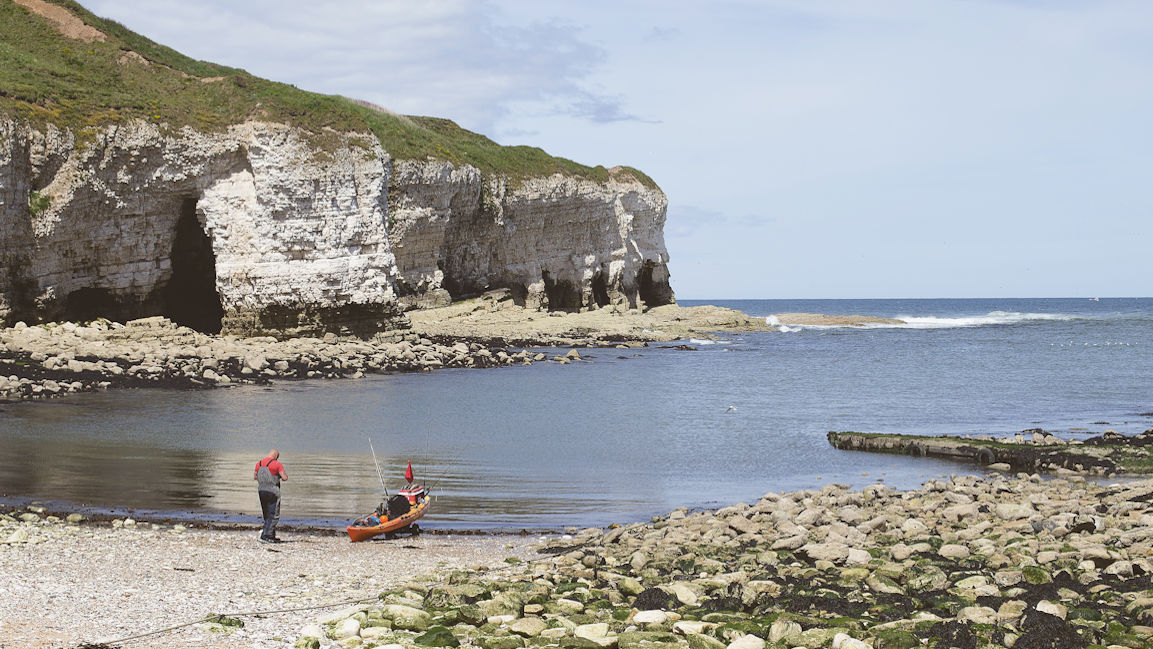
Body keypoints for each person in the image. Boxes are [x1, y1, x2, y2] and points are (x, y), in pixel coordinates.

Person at [253, 449, 288, 543]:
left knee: (266, 514)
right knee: (273, 515)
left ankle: (270, 535)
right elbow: (285, 478)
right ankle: (266, 536)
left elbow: (255, 477)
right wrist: (278, 475)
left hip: (261, 491)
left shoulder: (259, 463)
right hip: (273, 491)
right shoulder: (277, 464)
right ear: (276, 456)